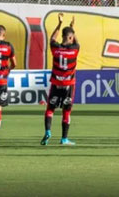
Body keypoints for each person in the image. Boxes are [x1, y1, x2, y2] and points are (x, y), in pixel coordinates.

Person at [41, 13, 79, 146]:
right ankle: (64, 139)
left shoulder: (55, 48)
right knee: (66, 111)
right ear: (70, 37)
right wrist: (72, 27)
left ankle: (48, 131)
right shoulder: (75, 49)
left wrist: (59, 23)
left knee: (50, 109)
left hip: (56, 84)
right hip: (69, 85)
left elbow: (52, 38)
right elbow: (76, 41)